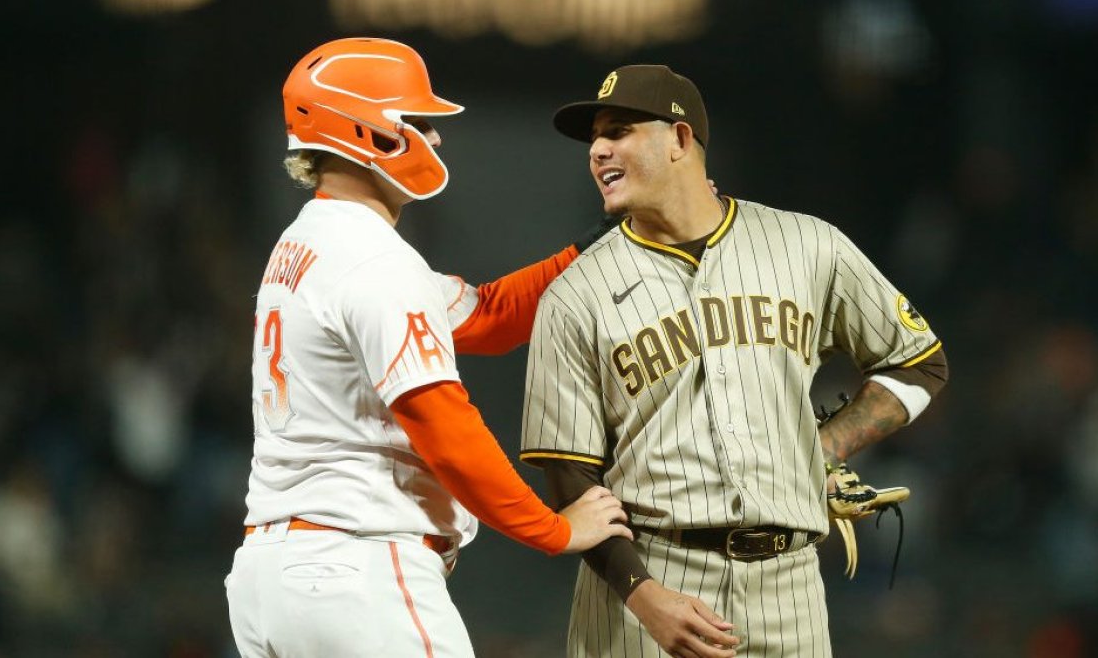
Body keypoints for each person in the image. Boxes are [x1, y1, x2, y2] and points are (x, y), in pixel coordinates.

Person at [519, 65, 949, 657]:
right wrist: (643, 596)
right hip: (648, 582)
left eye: (618, 131)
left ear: (679, 139)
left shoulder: (806, 245)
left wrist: (824, 447)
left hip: (789, 586)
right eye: (594, 138)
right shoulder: (576, 294)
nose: (597, 150)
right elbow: (569, 475)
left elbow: (919, 361)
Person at [224, 37, 633, 658]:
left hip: (272, 580)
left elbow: (488, 315)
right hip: (358, 570)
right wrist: (552, 529)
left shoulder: (308, 242)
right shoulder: (372, 261)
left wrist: (593, 248)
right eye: (415, 122)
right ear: (366, 131)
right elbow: (442, 421)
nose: (434, 139)